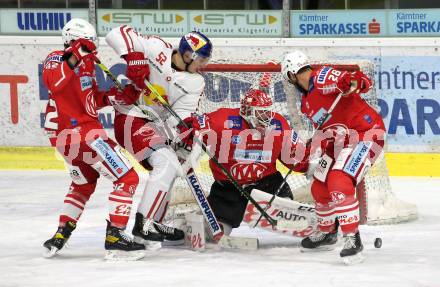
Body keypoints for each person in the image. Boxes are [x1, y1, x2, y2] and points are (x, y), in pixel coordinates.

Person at [42, 18, 145, 260]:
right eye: (88, 43)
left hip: (72, 139)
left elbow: (90, 101)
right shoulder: (56, 58)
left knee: (83, 183)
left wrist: (116, 96)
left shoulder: (85, 65)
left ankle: (60, 234)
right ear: (73, 41)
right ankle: (116, 237)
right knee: (127, 177)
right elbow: (53, 83)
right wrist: (76, 54)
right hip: (83, 135)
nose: (92, 48)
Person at [104, 26, 212, 246]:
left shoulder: (196, 82)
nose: (203, 65)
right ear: (189, 54)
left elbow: (180, 114)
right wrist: (134, 57)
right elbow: (115, 33)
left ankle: (153, 220)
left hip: (155, 125)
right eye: (201, 59)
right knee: (167, 160)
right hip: (130, 116)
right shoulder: (156, 47)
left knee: (177, 160)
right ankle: (143, 223)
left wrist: (185, 127)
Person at [281, 51, 386, 264]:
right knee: (319, 185)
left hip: (365, 134)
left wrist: (353, 82)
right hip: (340, 141)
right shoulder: (306, 102)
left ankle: (352, 238)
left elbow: (359, 82)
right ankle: (328, 232)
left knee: (339, 181)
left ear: (292, 75)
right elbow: (330, 126)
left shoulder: (321, 78)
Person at [183, 84, 310, 236]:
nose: (267, 117)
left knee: (286, 208)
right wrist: (189, 141)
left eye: (268, 112)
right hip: (228, 188)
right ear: (248, 111)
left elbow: (295, 158)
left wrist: (308, 165)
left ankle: (292, 212)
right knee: (214, 232)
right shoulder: (223, 119)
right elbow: (194, 127)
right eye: (261, 113)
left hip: (268, 184)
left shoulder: (278, 124)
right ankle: (190, 225)